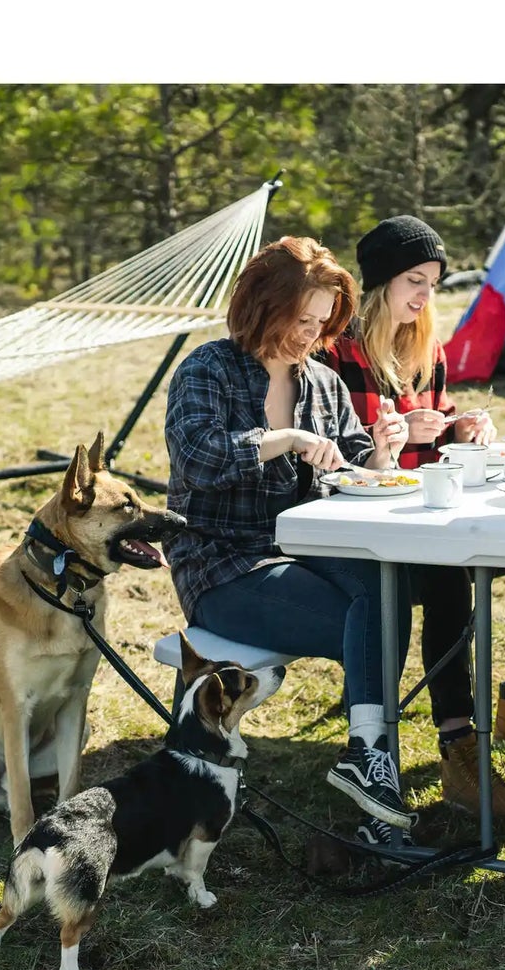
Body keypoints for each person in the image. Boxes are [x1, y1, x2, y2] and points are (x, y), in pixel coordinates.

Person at [163, 235, 415, 847]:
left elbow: (352, 462)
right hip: (224, 566)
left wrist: (382, 452)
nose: (310, 334)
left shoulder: (324, 382)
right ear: (261, 305)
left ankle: (367, 759)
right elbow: (197, 458)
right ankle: (375, 775)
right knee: (375, 618)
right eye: (300, 320)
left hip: (308, 550)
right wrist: (284, 439)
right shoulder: (208, 369)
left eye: (322, 322)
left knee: (389, 590)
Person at [320, 215, 505, 817]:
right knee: (449, 581)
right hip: (375, 526)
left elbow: (436, 439)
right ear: (380, 282)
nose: (424, 296)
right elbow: (340, 454)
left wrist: (462, 427)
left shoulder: (424, 347)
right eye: (414, 280)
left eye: (432, 283)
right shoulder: (337, 352)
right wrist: (398, 438)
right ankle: (459, 745)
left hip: (430, 508)